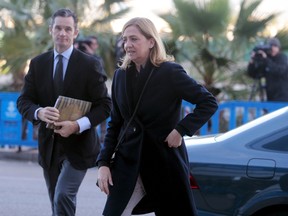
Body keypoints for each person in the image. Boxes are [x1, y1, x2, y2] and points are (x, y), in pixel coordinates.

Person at [96, 17, 218, 216]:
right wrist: (103, 163)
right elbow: (116, 124)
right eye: (125, 39)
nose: (128, 45)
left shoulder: (170, 72)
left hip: (164, 162)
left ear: (151, 41)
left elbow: (208, 102)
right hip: (128, 164)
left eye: (134, 39)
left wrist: (180, 130)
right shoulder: (120, 76)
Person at [17, 8, 111, 216]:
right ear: (51, 30)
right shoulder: (38, 63)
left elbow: (105, 105)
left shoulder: (90, 64)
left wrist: (77, 125)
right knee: (56, 204)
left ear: (75, 33)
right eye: (58, 28)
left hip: (79, 147)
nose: (62, 33)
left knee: (63, 195)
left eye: (68, 29)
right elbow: (24, 101)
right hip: (49, 148)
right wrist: (38, 112)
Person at [247, 37, 288, 101]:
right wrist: (252, 62)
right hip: (271, 97)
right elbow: (254, 74)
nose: (273, 48)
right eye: (271, 46)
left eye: (275, 46)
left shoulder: (282, 58)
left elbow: (279, 70)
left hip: (283, 97)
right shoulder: (267, 59)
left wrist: (266, 59)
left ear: (279, 48)